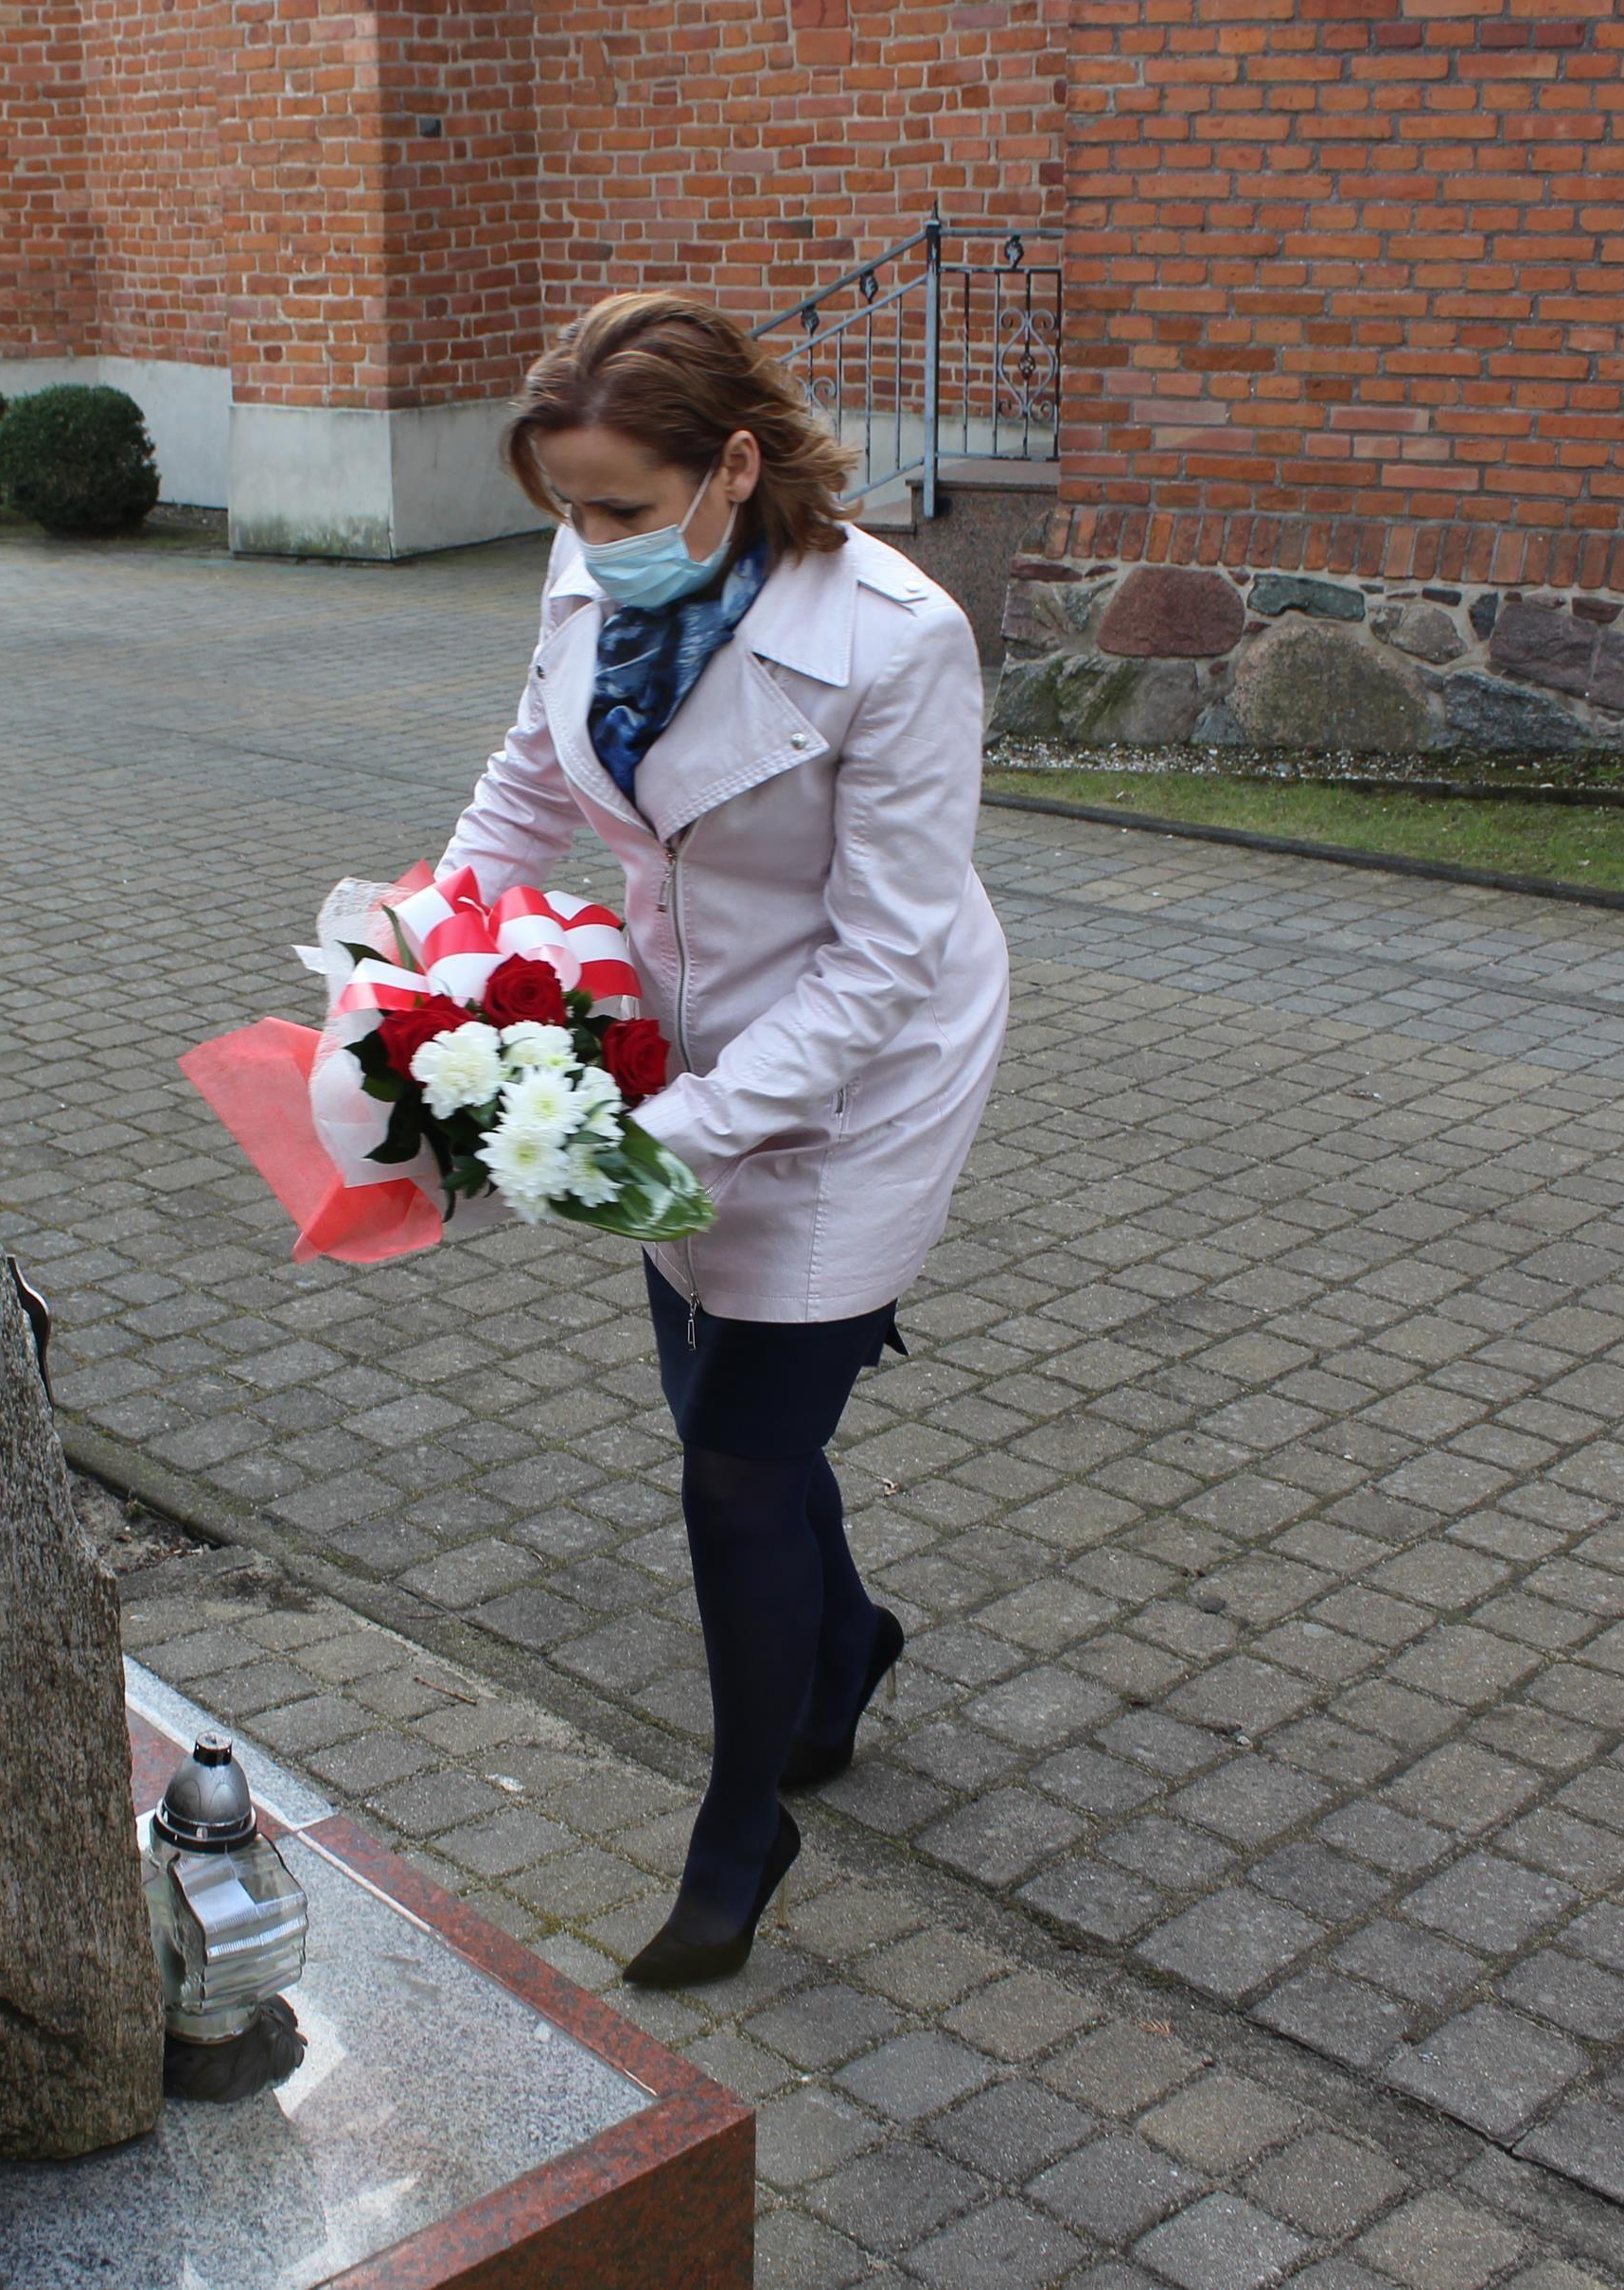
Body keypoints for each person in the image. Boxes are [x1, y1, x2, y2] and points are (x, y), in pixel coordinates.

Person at [435, 292, 1010, 1988]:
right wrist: (418, 961)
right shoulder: (597, 557)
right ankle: (851, 1640)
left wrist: (685, 1128)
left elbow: (885, 954)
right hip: (676, 1038)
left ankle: (742, 1824)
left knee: (737, 1463)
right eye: (568, 509)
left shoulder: (896, 638)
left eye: (619, 508)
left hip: (855, 1076)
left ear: (734, 463)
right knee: (716, 1381)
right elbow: (531, 786)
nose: (586, 542)